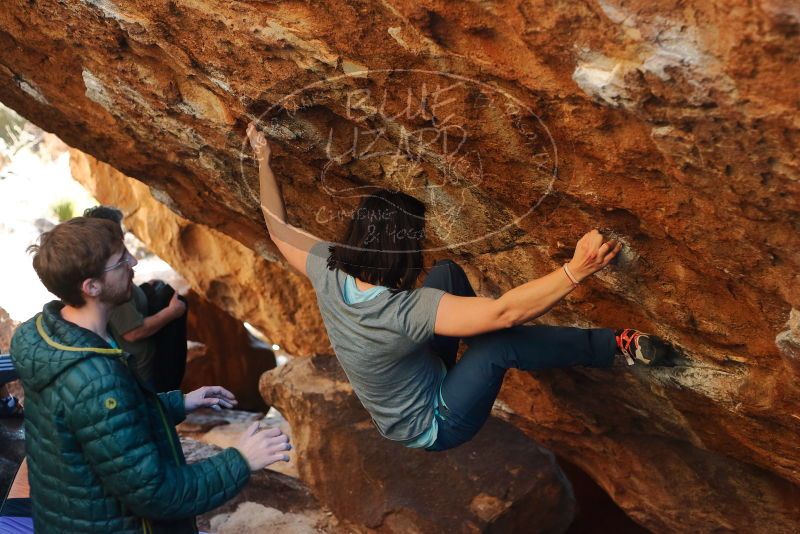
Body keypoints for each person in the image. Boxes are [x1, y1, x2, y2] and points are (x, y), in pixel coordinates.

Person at [246, 121, 675, 452]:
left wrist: (263, 160)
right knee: (497, 344)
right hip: (432, 424)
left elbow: (277, 228)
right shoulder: (405, 310)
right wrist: (576, 271)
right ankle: (611, 346)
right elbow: (504, 312)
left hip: (416, 373)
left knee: (448, 273)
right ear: (404, 251)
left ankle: (481, 351)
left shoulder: (328, 268)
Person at [10, 216, 292, 533]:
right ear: (92, 287)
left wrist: (176, 404)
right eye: (120, 261)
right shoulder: (97, 379)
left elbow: (89, 423)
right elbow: (157, 494)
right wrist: (240, 459)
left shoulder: (47, 335)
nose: (133, 262)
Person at [83, 206, 187, 391]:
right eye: (118, 232)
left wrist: (145, 290)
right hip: (143, 378)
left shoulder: (106, 269)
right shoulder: (108, 282)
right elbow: (133, 332)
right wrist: (172, 312)